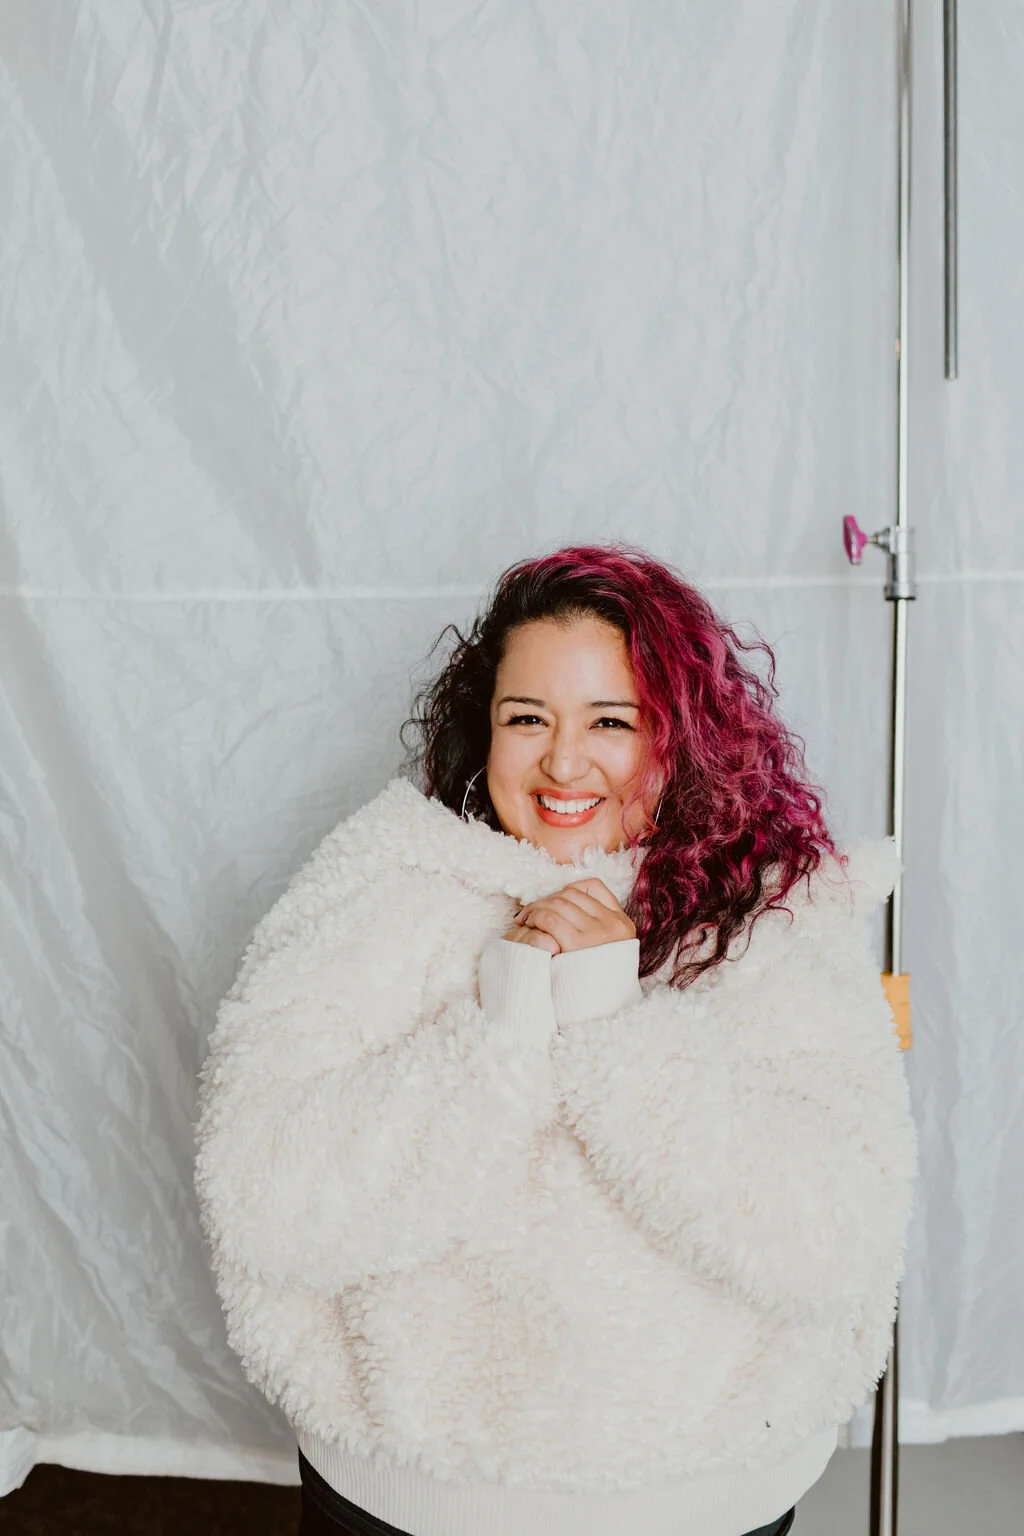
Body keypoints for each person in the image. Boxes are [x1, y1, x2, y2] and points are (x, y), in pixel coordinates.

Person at [194, 544, 917, 1536]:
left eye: (610, 722)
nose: (562, 764)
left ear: (679, 738)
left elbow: (837, 1237)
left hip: (704, 1502)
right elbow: (262, 1201)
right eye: (526, 719)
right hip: (407, 1500)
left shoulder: (772, 921)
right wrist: (504, 1023)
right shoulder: (379, 889)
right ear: (479, 728)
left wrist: (612, 1021)